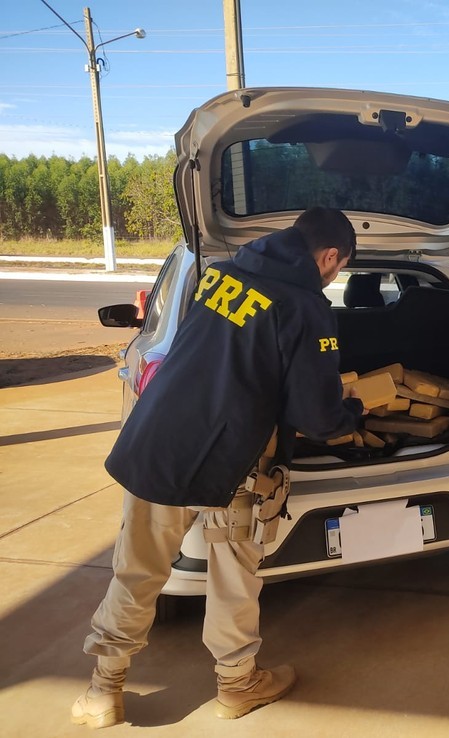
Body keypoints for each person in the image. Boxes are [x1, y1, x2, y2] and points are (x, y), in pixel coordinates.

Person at [72, 206, 366, 728]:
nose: (333, 277)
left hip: (158, 443)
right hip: (232, 462)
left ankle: (103, 690)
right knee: (234, 577)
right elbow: (317, 417)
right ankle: (237, 684)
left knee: (137, 571)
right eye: (337, 268)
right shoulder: (304, 306)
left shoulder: (222, 276)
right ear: (328, 256)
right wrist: (354, 410)